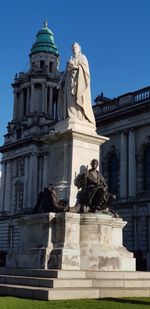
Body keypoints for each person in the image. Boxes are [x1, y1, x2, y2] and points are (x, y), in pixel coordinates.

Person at [57, 42, 95, 125]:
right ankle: (71, 115)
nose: (74, 49)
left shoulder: (83, 58)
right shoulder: (69, 60)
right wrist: (60, 83)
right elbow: (65, 73)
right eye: (73, 48)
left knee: (78, 97)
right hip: (68, 82)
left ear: (79, 49)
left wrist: (76, 67)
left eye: (76, 47)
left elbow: (85, 70)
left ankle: (79, 115)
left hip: (79, 82)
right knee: (69, 100)